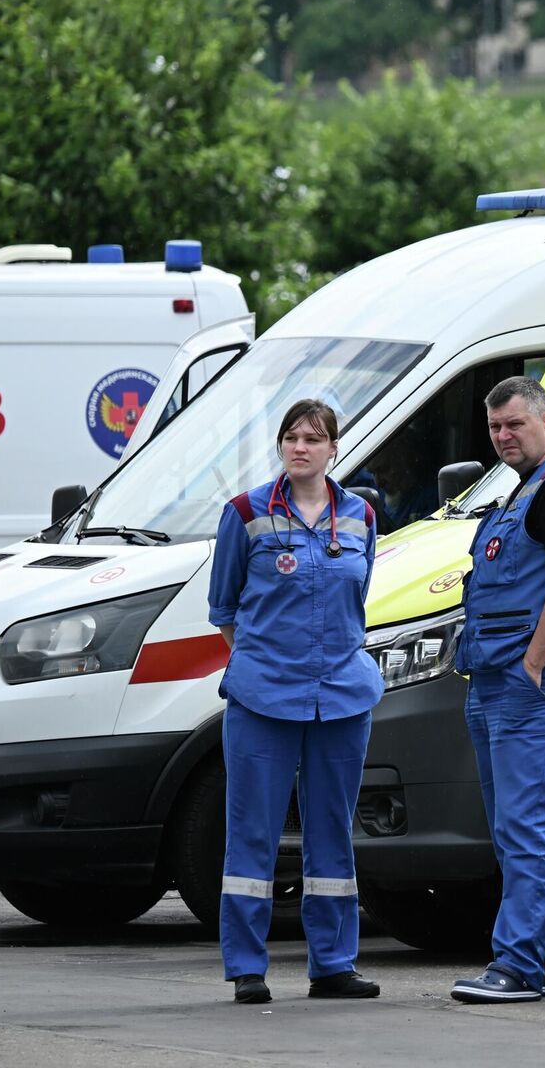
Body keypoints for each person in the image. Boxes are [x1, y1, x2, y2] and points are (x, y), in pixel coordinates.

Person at [207, 399, 385, 1004]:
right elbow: (224, 610)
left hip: (341, 695)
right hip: (263, 697)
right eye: (291, 437)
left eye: (313, 438)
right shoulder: (245, 513)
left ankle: (333, 965)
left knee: (332, 830)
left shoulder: (360, 515)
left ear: (334, 448)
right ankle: (246, 967)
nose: (300, 447)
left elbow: (357, 596)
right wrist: (267, 662)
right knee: (252, 831)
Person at [449, 376, 545, 1004]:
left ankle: (516, 965)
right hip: (498, 677)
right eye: (494, 427)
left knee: (525, 828)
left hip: (531, 682)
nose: (503, 436)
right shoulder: (525, 490)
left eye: (514, 424)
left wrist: (534, 664)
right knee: (526, 826)